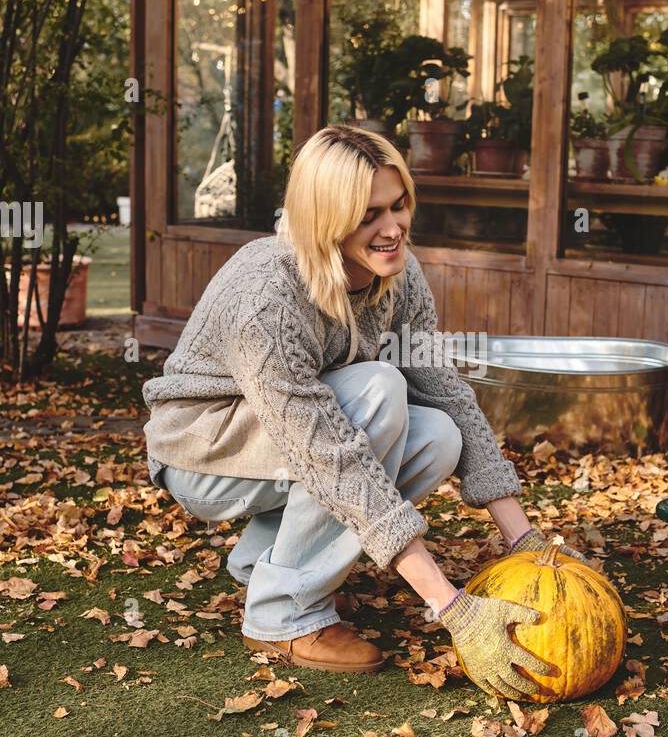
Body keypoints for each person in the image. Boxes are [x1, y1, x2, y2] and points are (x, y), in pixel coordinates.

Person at [142, 126, 586, 696]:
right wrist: (452, 606)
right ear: (326, 217)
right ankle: (284, 614)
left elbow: (442, 386)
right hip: (204, 450)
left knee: (439, 436)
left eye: (399, 206)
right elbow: (329, 456)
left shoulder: (397, 270)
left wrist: (523, 536)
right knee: (377, 392)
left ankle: (267, 568)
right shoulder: (267, 299)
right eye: (370, 214)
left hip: (294, 441)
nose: (393, 228)